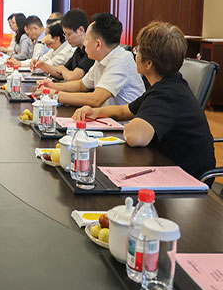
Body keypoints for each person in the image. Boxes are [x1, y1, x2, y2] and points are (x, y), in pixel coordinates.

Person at [73, 21, 215, 178]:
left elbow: (135, 137)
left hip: (187, 179)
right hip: (168, 166)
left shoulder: (167, 94)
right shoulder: (168, 84)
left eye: (138, 50)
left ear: (148, 63)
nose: (135, 54)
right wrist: (96, 112)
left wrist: (130, 126)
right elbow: (125, 110)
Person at [38, 12, 144, 107]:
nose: (84, 43)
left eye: (87, 39)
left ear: (98, 44)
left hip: (124, 122)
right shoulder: (101, 58)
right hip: (107, 119)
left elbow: (96, 99)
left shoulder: (120, 61)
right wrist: (53, 86)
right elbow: (82, 85)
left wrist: (55, 94)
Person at [35, 9, 93, 80]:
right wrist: (42, 65)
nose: (66, 38)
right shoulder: (78, 50)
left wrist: (62, 69)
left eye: (69, 34)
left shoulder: (90, 52)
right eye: (65, 35)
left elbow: (72, 77)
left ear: (81, 30)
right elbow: (60, 74)